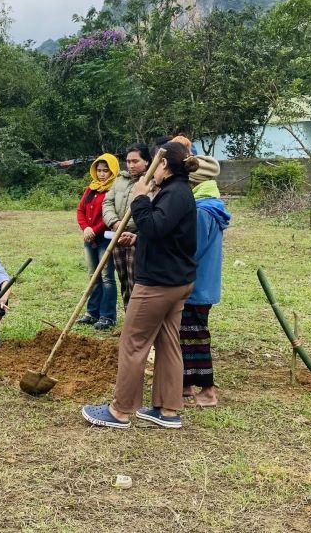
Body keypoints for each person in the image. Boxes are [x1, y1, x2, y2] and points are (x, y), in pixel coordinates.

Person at [81, 140, 199, 430]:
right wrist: (139, 238)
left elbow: (154, 225)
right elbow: (164, 232)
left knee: (133, 342)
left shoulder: (174, 193)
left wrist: (140, 198)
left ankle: (119, 411)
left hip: (158, 283)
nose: (149, 172)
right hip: (176, 280)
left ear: (163, 164)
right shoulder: (179, 191)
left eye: (154, 164)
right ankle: (167, 410)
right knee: (168, 342)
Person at [181, 155, 230, 407]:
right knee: (185, 335)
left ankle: (208, 390)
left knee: (196, 337)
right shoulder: (210, 205)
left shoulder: (202, 211)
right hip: (201, 283)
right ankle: (186, 384)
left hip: (196, 285)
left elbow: (193, 249)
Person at [102, 144, 151, 310]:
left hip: (137, 238)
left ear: (146, 161)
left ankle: (138, 318)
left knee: (136, 281)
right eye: (128, 161)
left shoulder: (150, 182)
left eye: (135, 161)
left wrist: (129, 228)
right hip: (117, 237)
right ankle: (128, 316)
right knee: (123, 279)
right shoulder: (120, 180)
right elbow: (107, 202)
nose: (131, 165)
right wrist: (115, 222)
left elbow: (149, 209)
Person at [75, 153, 119, 330]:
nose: (101, 174)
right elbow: (80, 210)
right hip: (89, 238)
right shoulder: (90, 189)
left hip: (105, 238)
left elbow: (110, 215)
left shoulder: (114, 190)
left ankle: (107, 316)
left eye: (105, 171)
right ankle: (92, 313)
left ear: (112, 171)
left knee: (107, 277)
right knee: (93, 276)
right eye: (99, 170)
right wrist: (86, 228)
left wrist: (95, 229)